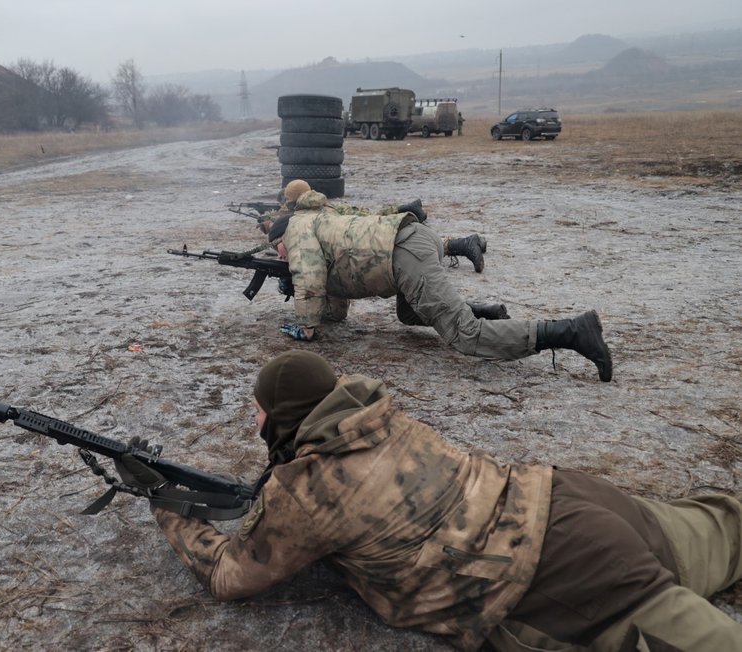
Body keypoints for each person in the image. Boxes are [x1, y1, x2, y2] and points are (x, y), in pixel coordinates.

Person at [119, 350, 742, 651]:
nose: (253, 422)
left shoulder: (308, 493)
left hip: (562, 580)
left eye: (257, 412)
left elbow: (231, 576)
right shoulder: (378, 418)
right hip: (574, 500)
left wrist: (164, 503)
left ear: (281, 418)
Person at [267, 180, 613, 382]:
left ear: (282, 235)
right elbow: (338, 307)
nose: (282, 257)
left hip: (404, 253)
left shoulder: (297, 229)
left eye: (279, 251)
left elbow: (309, 277)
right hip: (414, 240)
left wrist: (305, 325)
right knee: (409, 314)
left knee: (465, 335)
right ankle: (485, 312)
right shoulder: (324, 217)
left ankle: (573, 331)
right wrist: (319, 309)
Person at [259, 180, 487, 274]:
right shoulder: (315, 202)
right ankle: (467, 242)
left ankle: (463, 244)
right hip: (351, 220)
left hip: (355, 228)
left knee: (392, 237)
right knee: (381, 222)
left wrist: (271, 228)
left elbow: (283, 227)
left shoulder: (303, 215)